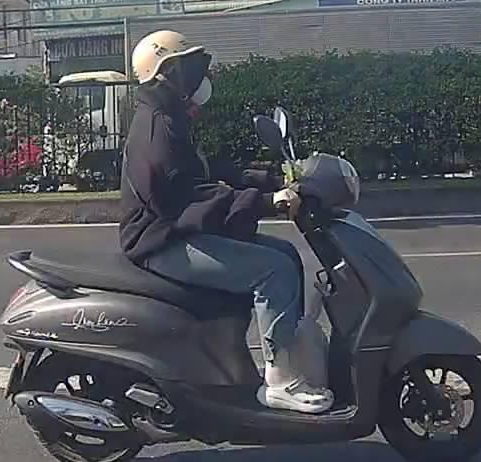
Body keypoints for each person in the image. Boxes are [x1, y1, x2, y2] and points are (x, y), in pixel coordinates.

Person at [118, 30, 334, 414]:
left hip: (177, 231)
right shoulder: (156, 130)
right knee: (274, 269)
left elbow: (210, 171)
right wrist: (265, 202)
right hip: (160, 243)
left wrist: (271, 180)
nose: (195, 77)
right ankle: (281, 381)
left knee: (286, 253)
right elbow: (187, 197)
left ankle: (286, 355)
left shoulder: (170, 120)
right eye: (185, 68)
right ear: (164, 75)